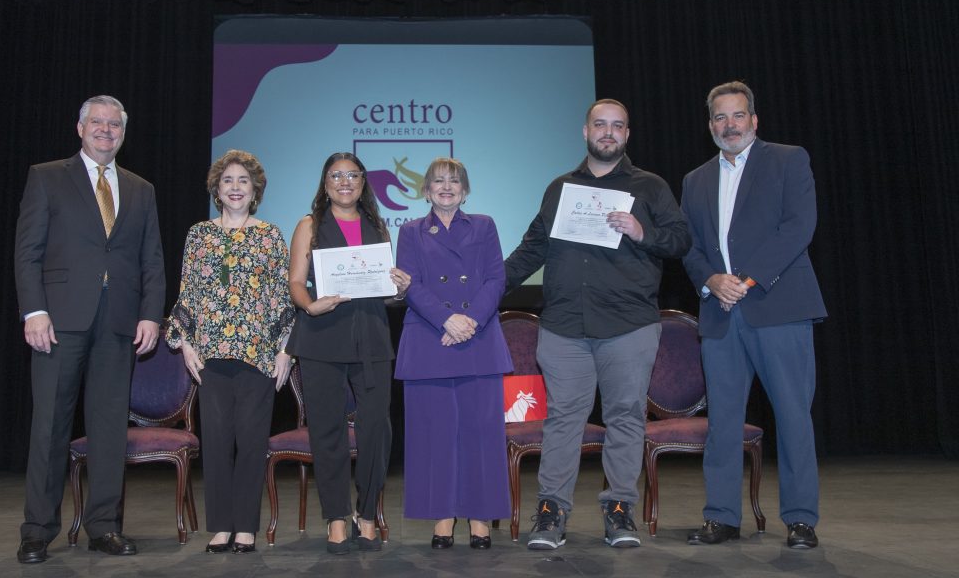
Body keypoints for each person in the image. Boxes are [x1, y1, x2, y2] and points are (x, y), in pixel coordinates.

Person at [504, 99, 691, 550]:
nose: (608, 133)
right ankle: (551, 512)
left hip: (629, 325)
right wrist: (477, 294)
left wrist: (642, 232)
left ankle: (620, 508)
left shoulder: (650, 187)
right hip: (565, 325)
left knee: (625, 417)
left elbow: (681, 240)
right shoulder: (559, 188)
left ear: (627, 134)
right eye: (600, 125)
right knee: (563, 420)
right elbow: (530, 250)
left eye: (617, 126)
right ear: (585, 131)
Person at [14, 95, 165, 563]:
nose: (106, 131)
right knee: (49, 427)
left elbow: (151, 259)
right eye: (97, 123)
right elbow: (28, 252)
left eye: (114, 124)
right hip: (58, 321)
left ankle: (104, 526)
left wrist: (150, 313)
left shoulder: (141, 189)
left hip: (119, 322)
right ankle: (37, 531)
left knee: (107, 429)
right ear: (80, 128)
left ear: (123, 132)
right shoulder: (47, 177)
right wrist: (33, 311)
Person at [681, 81, 827, 549]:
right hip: (721, 313)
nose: (730, 125)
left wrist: (745, 280)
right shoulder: (695, 179)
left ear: (754, 119)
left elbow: (798, 227)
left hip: (778, 306)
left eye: (738, 115)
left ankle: (801, 519)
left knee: (792, 414)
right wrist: (712, 281)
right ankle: (721, 517)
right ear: (710, 126)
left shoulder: (788, 159)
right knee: (723, 420)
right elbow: (690, 247)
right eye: (720, 118)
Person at [165, 150, 295, 554]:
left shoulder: (270, 235)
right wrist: (184, 344)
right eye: (228, 181)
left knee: (252, 443)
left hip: (258, 355)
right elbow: (188, 292)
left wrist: (285, 352)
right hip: (209, 355)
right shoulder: (199, 235)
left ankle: (247, 528)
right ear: (216, 189)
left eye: (243, 181)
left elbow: (281, 300)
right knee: (217, 442)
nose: (235, 188)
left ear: (254, 189)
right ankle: (221, 525)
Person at [286, 152, 411, 554]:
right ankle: (337, 518)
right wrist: (308, 305)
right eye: (335, 176)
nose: (344, 182)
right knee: (328, 432)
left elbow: (385, 292)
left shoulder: (378, 225)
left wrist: (401, 289)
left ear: (362, 182)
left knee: (377, 430)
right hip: (322, 336)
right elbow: (295, 281)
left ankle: (368, 515)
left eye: (352, 175)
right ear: (325, 183)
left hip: (372, 339)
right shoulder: (309, 225)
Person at [395, 158, 513, 550]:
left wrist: (470, 322)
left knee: (481, 435)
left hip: (477, 342)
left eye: (455, 181)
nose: (447, 187)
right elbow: (409, 284)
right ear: (426, 190)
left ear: (465, 190)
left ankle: (480, 519)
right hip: (430, 341)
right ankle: (442, 519)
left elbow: (497, 278)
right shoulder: (410, 232)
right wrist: (447, 321)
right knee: (435, 436)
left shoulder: (484, 225)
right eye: (438, 181)